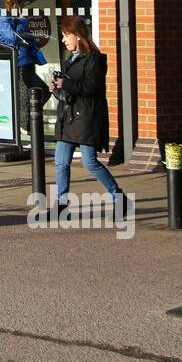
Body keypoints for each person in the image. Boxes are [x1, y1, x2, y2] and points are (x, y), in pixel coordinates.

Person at [49, 15, 125, 216]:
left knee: (90, 162)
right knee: (61, 162)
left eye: (66, 36)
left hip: (86, 117)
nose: (64, 40)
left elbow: (92, 87)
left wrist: (66, 84)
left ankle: (118, 197)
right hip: (68, 117)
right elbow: (69, 87)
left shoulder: (94, 59)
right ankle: (61, 204)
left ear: (78, 35)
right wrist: (57, 87)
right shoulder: (71, 59)